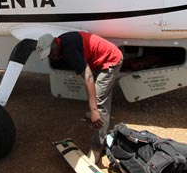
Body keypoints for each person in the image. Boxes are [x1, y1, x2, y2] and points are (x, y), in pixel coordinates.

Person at [36, 32, 123, 164]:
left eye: (51, 52)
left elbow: (88, 77)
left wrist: (94, 110)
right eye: (48, 55)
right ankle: (98, 114)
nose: (52, 57)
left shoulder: (69, 49)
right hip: (99, 61)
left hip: (110, 61)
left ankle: (97, 148)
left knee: (99, 103)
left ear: (54, 43)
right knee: (98, 94)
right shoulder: (62, 42)